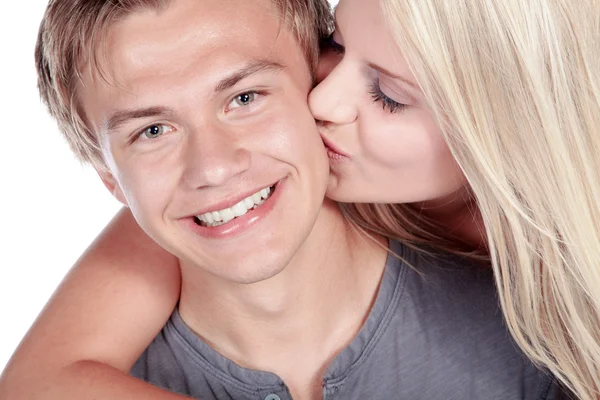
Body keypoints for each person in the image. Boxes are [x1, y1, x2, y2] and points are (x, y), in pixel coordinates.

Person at [1, 0, 596, 397]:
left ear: (505, 133)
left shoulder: (538, 327)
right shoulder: (204, 201)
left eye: (388, 94)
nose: (325, 101)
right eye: (333, 48)